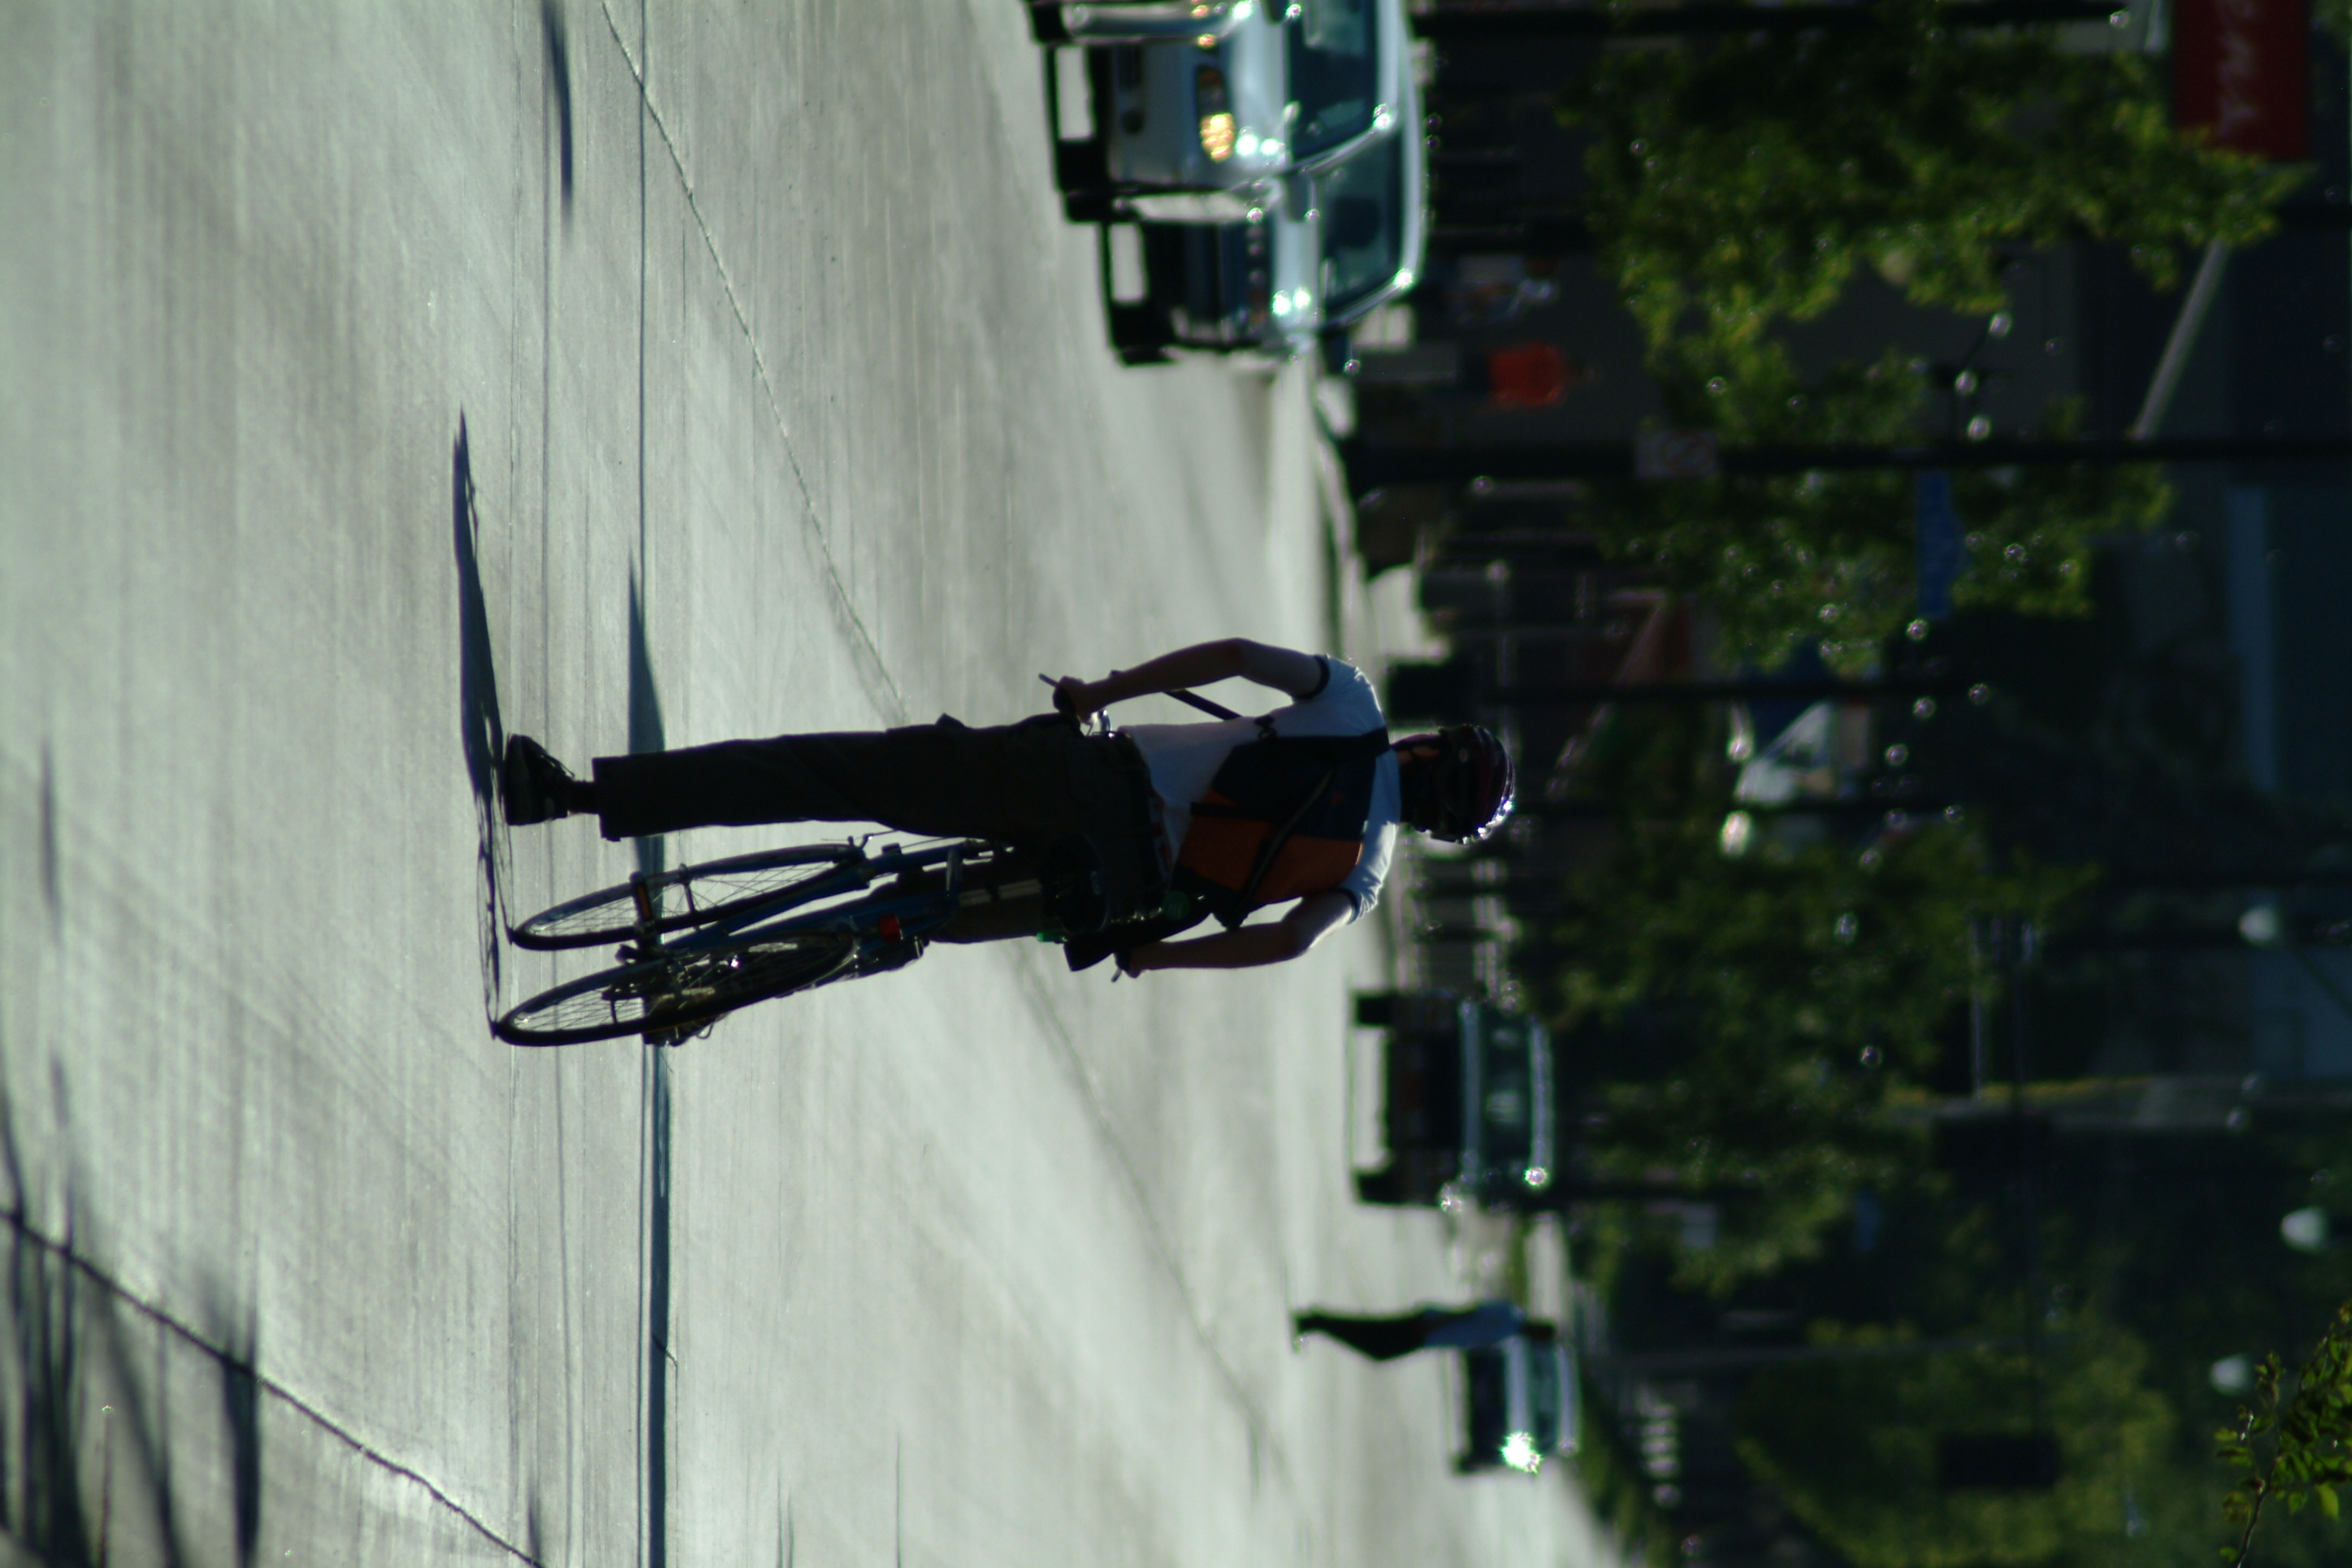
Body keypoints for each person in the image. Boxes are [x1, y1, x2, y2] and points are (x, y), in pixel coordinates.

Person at [499, 638, 1514, 975]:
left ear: (1427, 743)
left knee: (835, 774)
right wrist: (1156, 956)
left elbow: (1239, 657)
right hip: (1109, 891)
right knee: (908, 928)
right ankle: (718, 974)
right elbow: (1286, 942)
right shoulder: (1364, 874)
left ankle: (577, 795)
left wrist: (1101, 692)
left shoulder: (1352, 704)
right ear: (1433, 828)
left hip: (1082, 781)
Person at [1291, 1300, 1555, 1361]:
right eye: (1540, 1335)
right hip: (1431, 1327)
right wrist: (1434, 1324)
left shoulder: (1509, 1337)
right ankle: (1317, 1321)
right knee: (1378, 1346)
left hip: (1433, 1338)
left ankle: (1318, 1322)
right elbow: (1470, 1312)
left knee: (1376, 1341)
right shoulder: (1508, 1315)